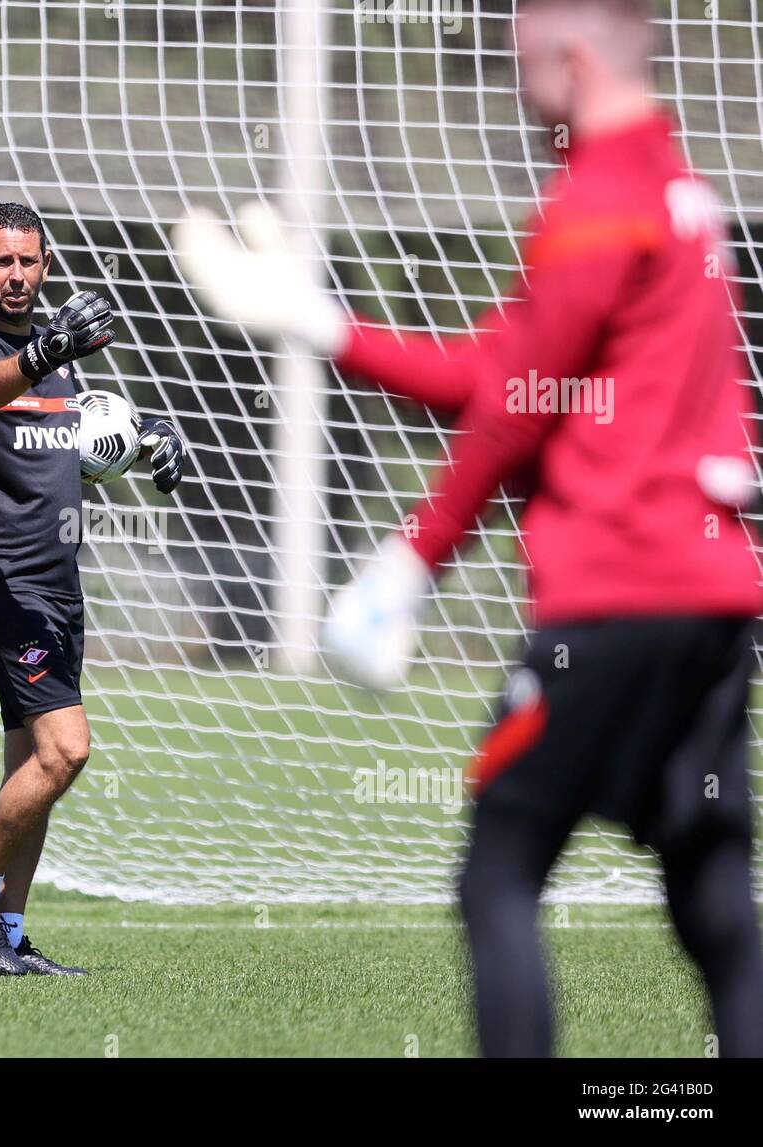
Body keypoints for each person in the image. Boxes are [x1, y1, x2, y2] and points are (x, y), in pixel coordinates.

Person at [177, 0, 763, 1055]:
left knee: (499, 864)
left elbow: (514, 409)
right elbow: (508, 374)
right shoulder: (681, 197)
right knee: (710, 887)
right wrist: (323, 326)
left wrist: (411, 559)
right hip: (714, 599)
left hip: (614, 600)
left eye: (515, 58)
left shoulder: (595, 200)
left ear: (569, 57)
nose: (507, 81)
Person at [0, 203, 186, 974]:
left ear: (46, 266)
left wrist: (148, 441)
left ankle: (7, 929)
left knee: (31, 765)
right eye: (1, 261)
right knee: (67, 749)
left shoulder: (66, 366)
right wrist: (41, 353)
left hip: (59, 587)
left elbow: (79, 440)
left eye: (29, 261)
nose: (16, 275)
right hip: (0, 583)